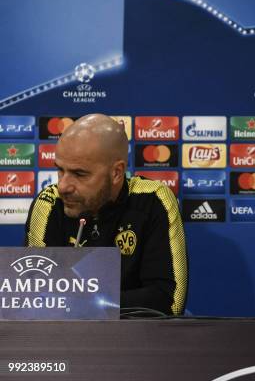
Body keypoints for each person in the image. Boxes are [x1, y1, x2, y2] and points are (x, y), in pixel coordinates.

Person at [24, 114, 187, 315]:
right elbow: (33, 298)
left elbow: (170, 301)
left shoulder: (153, 199)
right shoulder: (49, 203)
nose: (63, 186)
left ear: (117, 173)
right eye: (60, 170)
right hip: (65, 341)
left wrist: (80, 304)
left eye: (79, 174)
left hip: (136, 341)